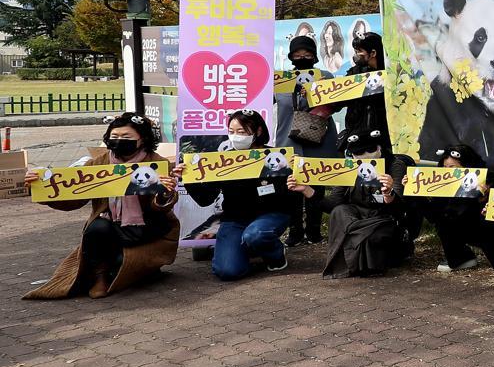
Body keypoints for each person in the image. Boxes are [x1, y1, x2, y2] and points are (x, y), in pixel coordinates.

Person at [23, 113, 179, 299]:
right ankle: (100, 276)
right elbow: (74, 198)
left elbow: (160, 207)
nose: (119, 141)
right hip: (111, 225)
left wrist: (165, 192)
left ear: (142, 139)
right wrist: (41, 188)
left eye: (126, 137)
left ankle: (143, 266)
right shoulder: (99, 164)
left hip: (147, 226)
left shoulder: (157, 163)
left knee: (128, 264)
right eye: (115, 137)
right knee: (96, 227)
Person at [177, 109, 294, 280]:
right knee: (227, 271)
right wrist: (188, 179)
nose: (235, 136)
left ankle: (275, 254)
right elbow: (205, 199)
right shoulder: (223, 162)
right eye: (231, 132)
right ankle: (246, 248)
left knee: (256, 234)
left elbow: (290, 197)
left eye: (241, 132)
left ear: (258, 131)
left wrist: (293, 173)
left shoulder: (276, 157)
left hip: (270, 216)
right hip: (235, 220)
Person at [290, 129, 412, 278]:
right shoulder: (349, 167)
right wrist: (307, 190)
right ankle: (356, 244)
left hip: (383, 219)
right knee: (339, 211)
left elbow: (401, 208)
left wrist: (389, 193)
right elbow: (333, 205)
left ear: (379, 148)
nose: (365, 155)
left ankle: (360, 248)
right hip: (356, 218)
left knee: (368, 234)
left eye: (370, 150)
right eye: (359, 153)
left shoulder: (395, 165)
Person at [275, 35, 336, 247]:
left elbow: (337, 103)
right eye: (298, 55)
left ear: (315, 56)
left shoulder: (325, 76)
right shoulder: (280, 79)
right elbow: (263, 100)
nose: (302, 58)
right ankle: (294, 232)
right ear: (291, 56)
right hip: (288, 140)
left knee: (316, 184)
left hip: (318, 138)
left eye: (307, 54)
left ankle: (314, 231)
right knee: (291, 185)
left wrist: (314, 93)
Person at [420, 144, 494, 274]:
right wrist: (414, 193)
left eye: (453, 167)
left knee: (480, 220)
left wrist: (484, 196)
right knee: (444, 220)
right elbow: (433, 216)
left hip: (489, 228)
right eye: (445, 168)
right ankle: (461, 258)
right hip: (463, 228)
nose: (448, 172)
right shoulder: (442, 188)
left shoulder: (485, 182)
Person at [339, 31, 389, 151]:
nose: (356, 55)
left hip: (385, 135)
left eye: (359, 51)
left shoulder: (391, 75)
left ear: (373, 53)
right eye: (355, 51)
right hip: (357, 136)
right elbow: (339, 100)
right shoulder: (353, 74)